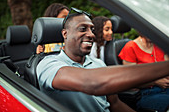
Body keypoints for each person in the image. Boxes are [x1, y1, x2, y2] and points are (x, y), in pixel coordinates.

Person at [37, 7, 169, 112]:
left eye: (92, 29)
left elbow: (115, 104)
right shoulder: (48, 64)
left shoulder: (98, 63)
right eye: (83, 29)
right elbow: (92, 82)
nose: (91, 34)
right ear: (65, 34)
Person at [118, 33, 169, 112]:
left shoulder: (159, 45)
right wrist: (155, 82)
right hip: (147, 93)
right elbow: (131, 81)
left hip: (166, 89)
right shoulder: (130, 47)